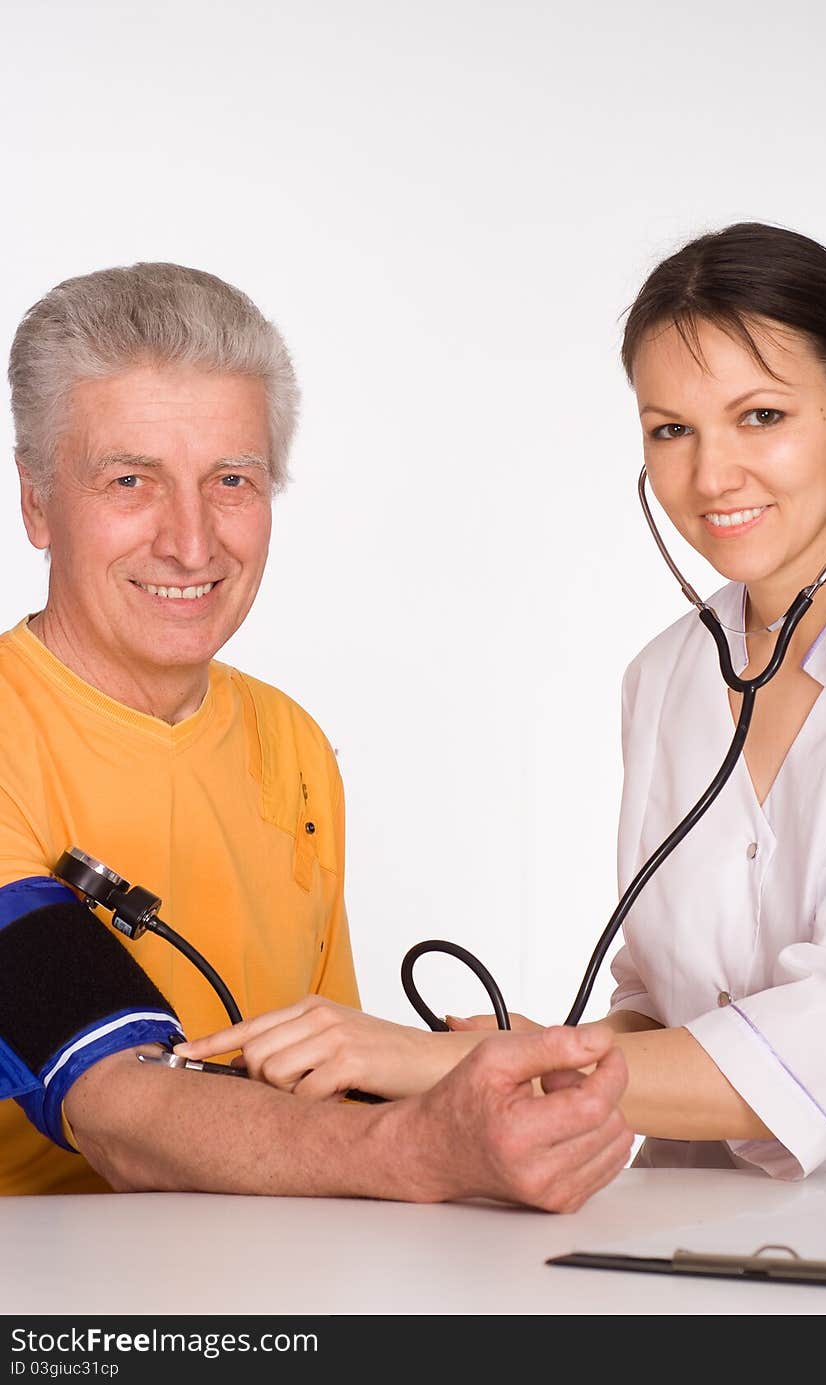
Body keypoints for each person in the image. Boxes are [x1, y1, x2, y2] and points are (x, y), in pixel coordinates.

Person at [180, 222, 826, 1181]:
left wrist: (441, 1059)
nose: (711, 476)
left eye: (761, 416)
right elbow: (663, 999)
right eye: (671, 429)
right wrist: (542, 1057)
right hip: (692, 1246)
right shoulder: (666, 677)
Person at [0, 261, 632, 1208]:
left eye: (231, 480)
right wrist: (424, 1145)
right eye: (130, 480)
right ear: (39, 503)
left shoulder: (288, 742)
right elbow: (119, 1109)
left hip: (272, 1289)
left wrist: (468, 1082)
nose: (191, 540)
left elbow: (316, 1080)